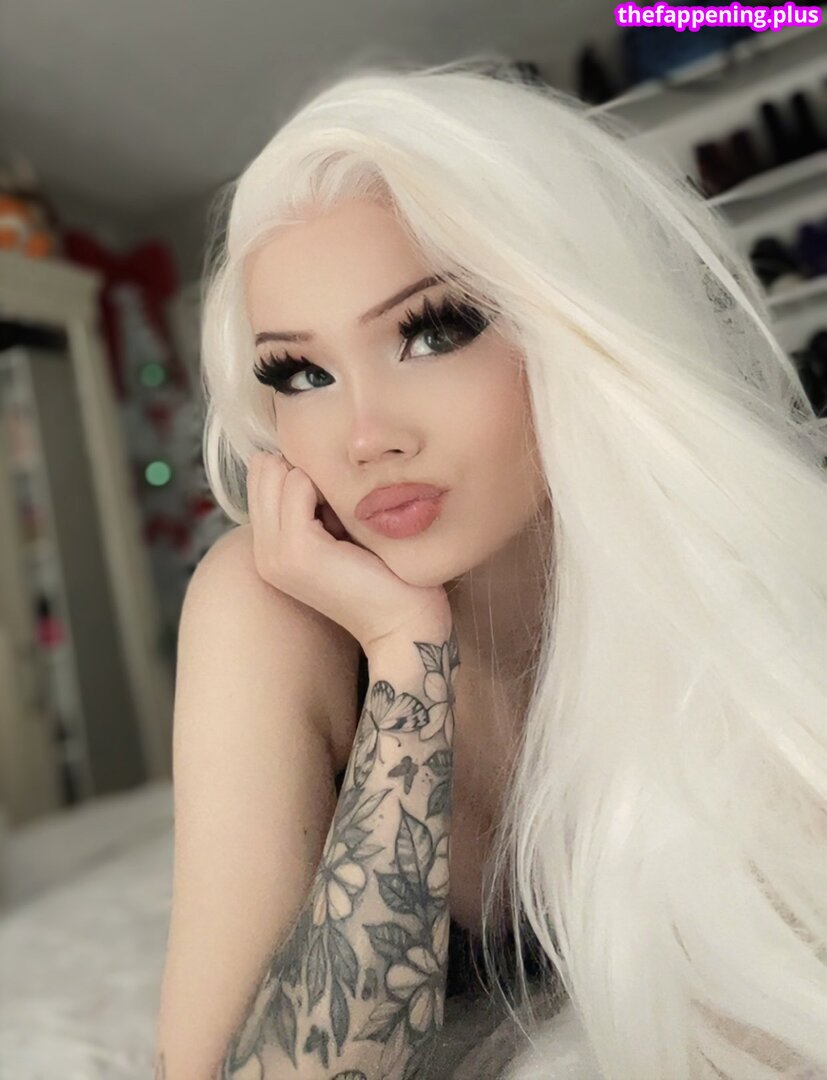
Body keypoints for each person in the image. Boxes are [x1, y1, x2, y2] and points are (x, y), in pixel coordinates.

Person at [154, 55, 827, 1080]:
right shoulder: (265, 604)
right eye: (302, 373)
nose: (365, 436)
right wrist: (403, 654)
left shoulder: (716, 561)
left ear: (571, 325)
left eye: (431, 332)